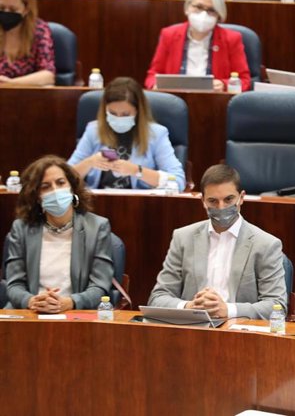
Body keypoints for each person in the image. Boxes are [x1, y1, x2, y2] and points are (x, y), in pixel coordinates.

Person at [148, 164, 287, 320]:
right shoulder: (183, 238)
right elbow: (157, 298)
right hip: (193, 329)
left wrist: (228, 310)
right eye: (213, 201)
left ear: (241, 198)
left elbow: (277, 306)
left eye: (228, 200)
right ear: (203, 201)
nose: (221, 208)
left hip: (239, 335)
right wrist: (189, 307)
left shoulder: (266, 244)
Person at [4, 155, 114, 312]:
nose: (55, 190)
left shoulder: (97, 227)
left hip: (76, 314)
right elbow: (14, 284)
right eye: (45, 186)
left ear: (72, 187)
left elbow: (100, 286)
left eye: (61, 183)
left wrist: (69, 302)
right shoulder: (22, 228)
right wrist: (31, 301)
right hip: (31, 313)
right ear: (36, 197)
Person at [68, 77, 186, 191]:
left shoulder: (156, 134)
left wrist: (137, 171)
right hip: (98, 202)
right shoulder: (94, 130)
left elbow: (178, 181)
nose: (118, 118)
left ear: (138, 111)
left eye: (125, 114)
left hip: (139, 205)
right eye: (112, 113)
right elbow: (64, 177)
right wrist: (89, 163)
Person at [144, 0, 251, 92]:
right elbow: (152, 75)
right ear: (187, 8)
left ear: (219, 15)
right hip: (175, 101)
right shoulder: (169, 35)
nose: (203, 14)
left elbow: (244, 81)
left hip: (214, 103)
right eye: (198, 7)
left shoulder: (232, 39)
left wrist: (224, 84)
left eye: (211, 10)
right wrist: (155, 85)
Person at [0, 0, 55, 86]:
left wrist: (11, 84)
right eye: (1, 8)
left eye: (13, 9)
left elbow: (48, 76)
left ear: (26, 9)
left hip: (28, 97)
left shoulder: (39, 30)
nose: (6, 12)